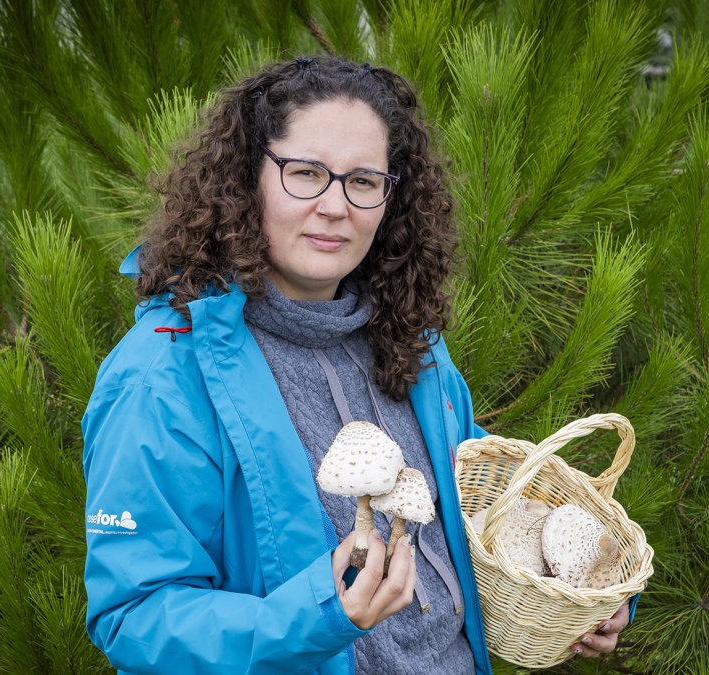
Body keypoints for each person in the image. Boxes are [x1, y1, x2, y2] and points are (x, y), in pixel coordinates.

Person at [82, 55, 632, 675]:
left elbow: (479, 507)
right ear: (246, 178)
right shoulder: (165, 374)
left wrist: (589, 590)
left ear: (391, 199)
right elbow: (133, 618)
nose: (336, 205)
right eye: (306, 173)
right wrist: (320, 613)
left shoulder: (411, 340)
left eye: (363, 181)